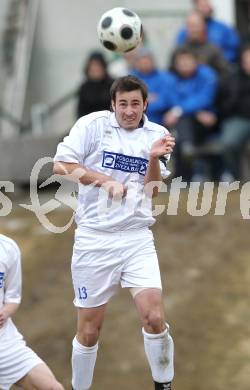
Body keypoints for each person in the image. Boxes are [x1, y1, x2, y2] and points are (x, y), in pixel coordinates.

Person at [53, 75, 175, 390]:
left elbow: (153, 191)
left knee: (154, 317)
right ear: (113, 104)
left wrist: (152, 158)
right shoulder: (92, 126)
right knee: (90, 330)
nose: (129, 110)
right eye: (123, 104)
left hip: (137, 237)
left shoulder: (158, 135)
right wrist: (103, 180)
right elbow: (61, 165)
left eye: (136, 104)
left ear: (145, 104)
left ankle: (164, 385)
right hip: (94, 238)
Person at [0, 233, 64, 390]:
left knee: (53, 387)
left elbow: (13, 298)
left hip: (5, 344)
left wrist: (5, 313)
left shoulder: (8, 247)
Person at [164, 47, 219, 181]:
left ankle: (188, 170)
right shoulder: (171, 78)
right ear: (175, 65)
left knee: (182, 130)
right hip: (187, 120)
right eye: (181, 63)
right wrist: (193, 111)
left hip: (208, 120)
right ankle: (189, 168)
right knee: (180, 128)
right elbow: (172, 99)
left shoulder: (207, 75)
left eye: (188, 62)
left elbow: (205, 98)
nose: (184, 66)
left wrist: (181, 110)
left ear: (196, 61)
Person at [218, 45, 250, 180]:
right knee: (228, 142)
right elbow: (221, 101)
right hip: (238, 118)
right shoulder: (231, 78)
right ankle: (231, 173)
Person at [174, 11, 231, 78]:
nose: (193, 30)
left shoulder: (213, 49)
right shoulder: (179, 49)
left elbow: (225, 72)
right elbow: (171, 74)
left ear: (203, 27)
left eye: (196, 26)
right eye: (190, 26)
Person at [131, 47, 174, 125]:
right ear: (136, 63)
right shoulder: (130, 79)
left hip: (161, 117)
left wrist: (145, 101)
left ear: (153, 61)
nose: (145, 64)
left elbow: (168, 100)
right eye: (141, 61)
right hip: (137, 119)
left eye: (147, 61)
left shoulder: (166, 77)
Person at [77, 51, 114, 119]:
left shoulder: (113, 85)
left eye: (98, 65)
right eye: (93, 65)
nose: (95, 68)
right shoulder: (84, 87)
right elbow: (80, 111)